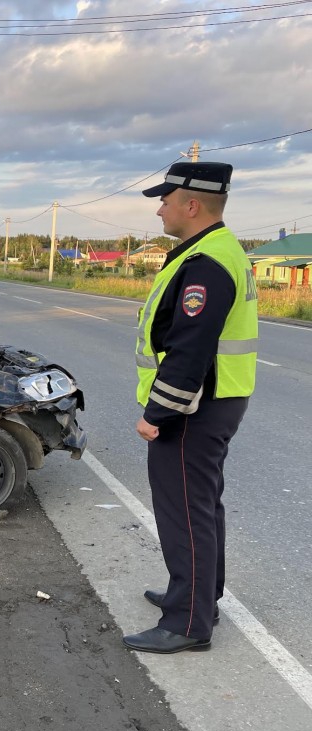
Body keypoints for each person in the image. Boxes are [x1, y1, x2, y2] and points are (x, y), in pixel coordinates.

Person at [123, 161, 258, 655]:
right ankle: (200, 596)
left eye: (165, 199)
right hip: (218, 401)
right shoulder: (214, 251)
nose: (160, 208)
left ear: (192, 204)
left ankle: (187, 622)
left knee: (184, 510)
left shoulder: (206, 264)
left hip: (194, 408)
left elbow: (189, 353)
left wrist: (155, 415)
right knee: (202, 504)